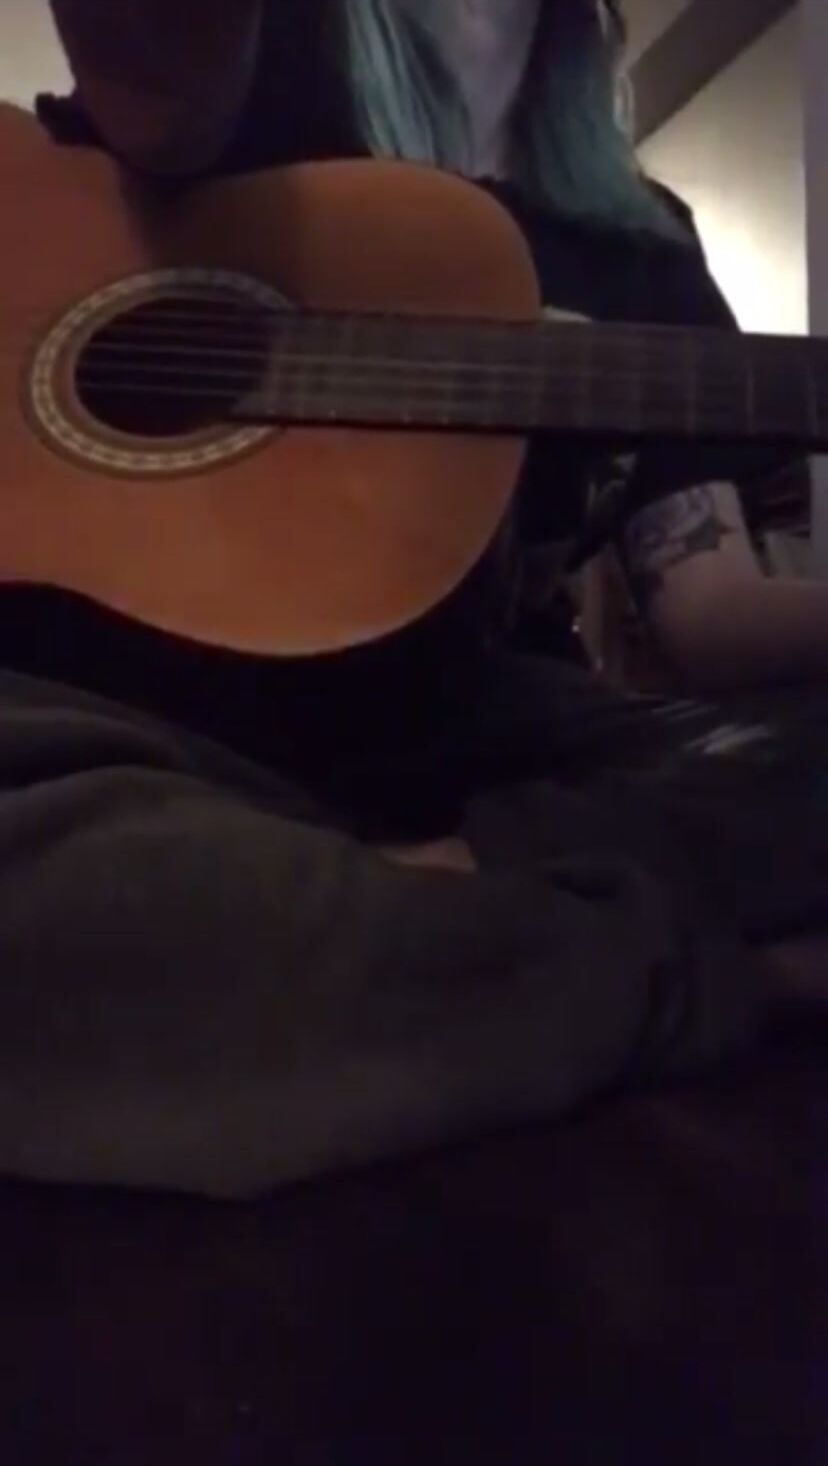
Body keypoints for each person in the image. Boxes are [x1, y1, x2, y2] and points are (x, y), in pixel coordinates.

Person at [0, 0, 825, 1199]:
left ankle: (379, 911)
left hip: (468, 741)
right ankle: (609, 952)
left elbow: (706, 607)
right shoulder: (264, 66)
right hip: (116, 714)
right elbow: (156, 83)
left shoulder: (644, 245)